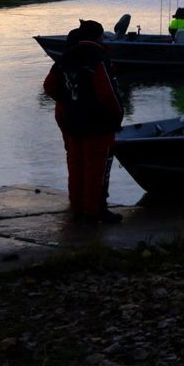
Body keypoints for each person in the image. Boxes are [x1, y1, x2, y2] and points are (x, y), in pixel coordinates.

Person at [43, 20, 124, 224]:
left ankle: (78, 206)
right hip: (97, 124)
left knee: (76, 165)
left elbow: (49, 85)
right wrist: (118, 115)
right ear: (98, 36)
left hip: (72, 122)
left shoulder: (65, 57)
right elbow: (107, 93)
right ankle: (94, 211)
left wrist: (68, 101)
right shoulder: (97, 58)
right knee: (96, 169)